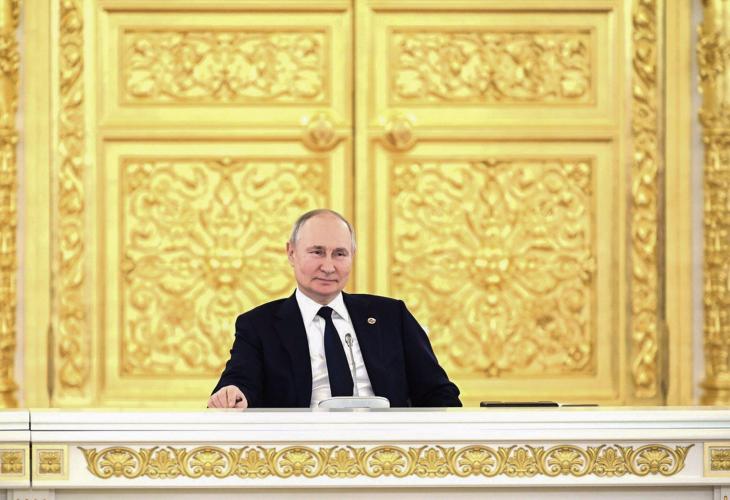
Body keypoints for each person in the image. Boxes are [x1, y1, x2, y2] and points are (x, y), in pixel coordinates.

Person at [208, 209, 461, 408]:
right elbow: (239, 383)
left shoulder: (391, 316)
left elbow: (438, 392)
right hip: (300, 449)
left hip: (387, 448)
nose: (328, 267)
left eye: (340, 254)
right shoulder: (259, 325)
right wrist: (233, 393)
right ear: (291, 253)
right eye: (317, 252)